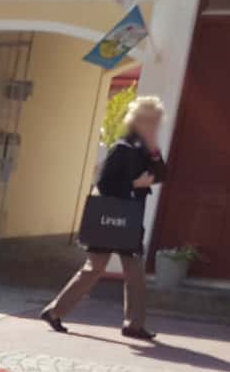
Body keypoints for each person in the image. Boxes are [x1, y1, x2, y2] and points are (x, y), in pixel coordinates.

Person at [42, 94, 167, 340]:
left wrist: (154, 153)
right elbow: (106, 183)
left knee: (135, 274)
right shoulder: (122, 147)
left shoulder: (145, 149)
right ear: (137, 120)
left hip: (129, 221)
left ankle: (133, 324)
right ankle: (55, 311)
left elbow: (162, 174)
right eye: (149, 120)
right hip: (112, 218)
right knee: (94, 268)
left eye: (156, 121)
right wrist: (134, 184)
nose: (153, 125)